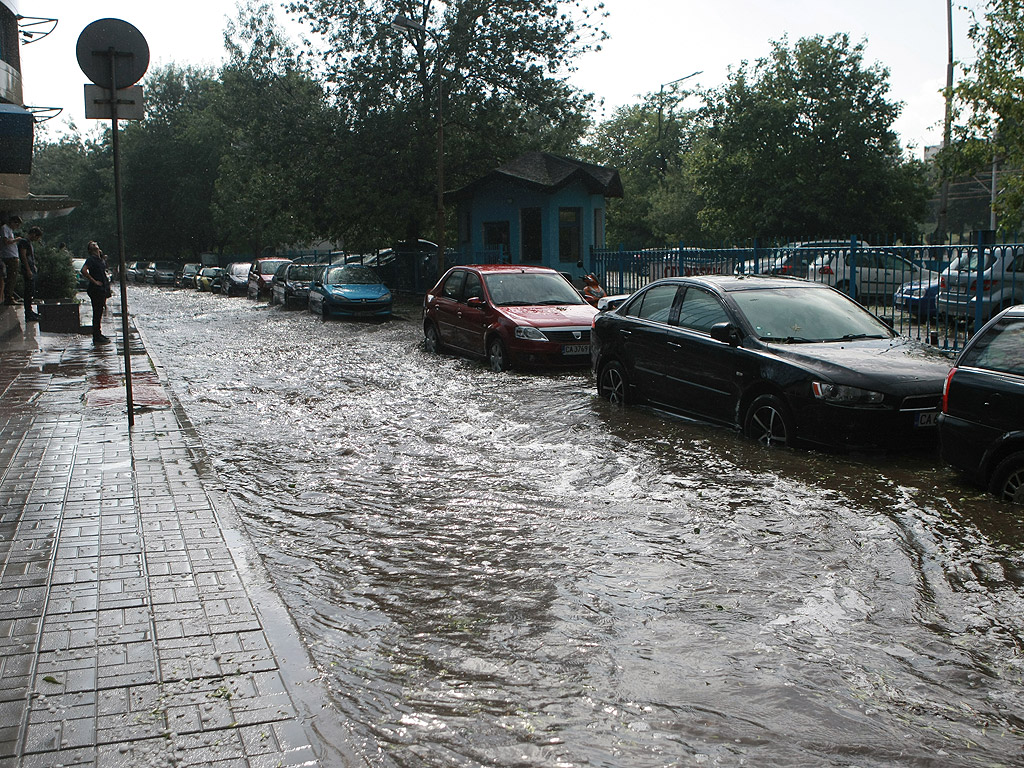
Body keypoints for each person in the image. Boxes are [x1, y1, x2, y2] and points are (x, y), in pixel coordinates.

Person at [82, 241, 111, 344]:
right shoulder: (91, 260)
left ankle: (98, 333)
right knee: (97, 312)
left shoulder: (100, 259)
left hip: (102, 289)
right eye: (93, 244)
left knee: (99, 312)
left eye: (96, 244)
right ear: (90, 249)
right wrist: (94, 281)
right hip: (95, 290)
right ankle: (96, 336)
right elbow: (84, 270)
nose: (95, 244)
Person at [17, 226, 41, 321]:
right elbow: (23, 256)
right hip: (27, 269)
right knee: (28, 291)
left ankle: (30, 311)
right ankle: (28, 313)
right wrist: (28, 269)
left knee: (31, 291)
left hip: (31, 267)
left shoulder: (28, 243)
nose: (37, 239)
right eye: (37, 237)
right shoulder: (24, 242)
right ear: (34, 234)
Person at [2, 215, 21, 305]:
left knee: (13, 277)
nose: (16, 227)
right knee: (11, 277)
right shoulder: (5, 228)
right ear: (13, 222)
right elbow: (6, 241)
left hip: (12, 255)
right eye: (16, 225)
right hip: (9, 256)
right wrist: (16, 240)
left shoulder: (10, 230)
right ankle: (8, 297)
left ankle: (9, 296)